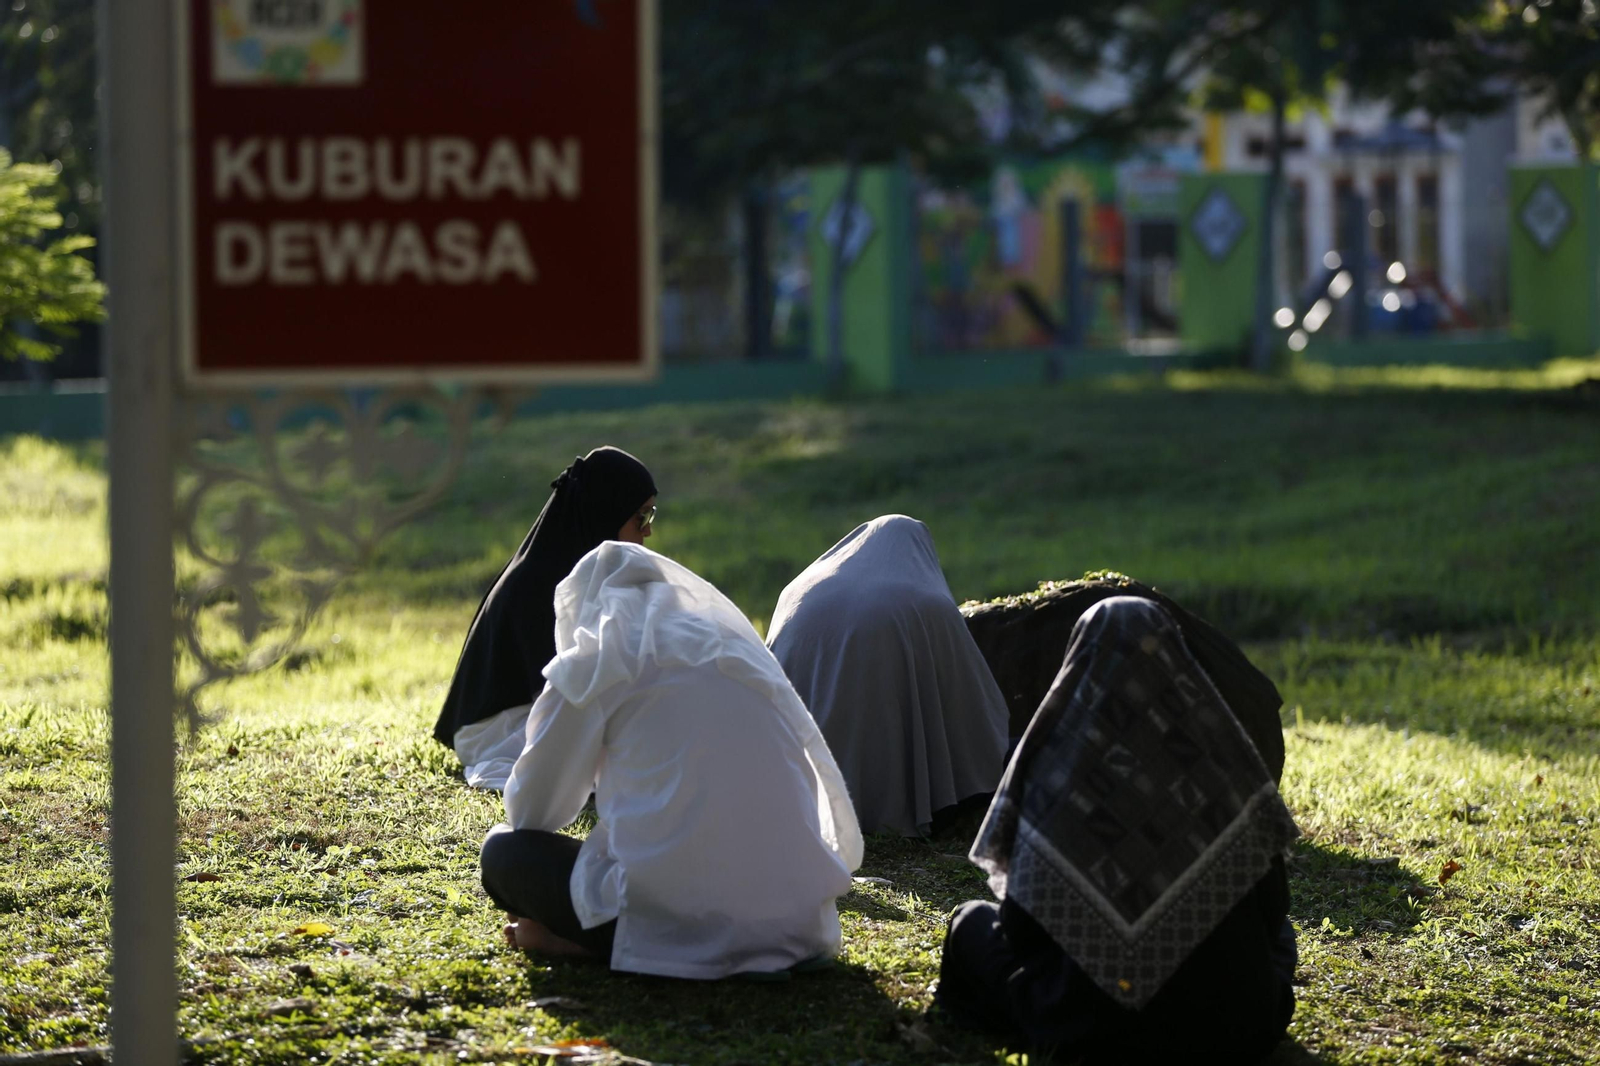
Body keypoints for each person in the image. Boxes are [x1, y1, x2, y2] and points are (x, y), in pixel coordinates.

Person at [935, 597, 1300, 1064]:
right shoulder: (1228, 768)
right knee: (1280, 940)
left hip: (1090, 1029)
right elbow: (1273, 911)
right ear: (1179, 667)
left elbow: (1023, 933)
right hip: (1234, 1026)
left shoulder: (1054, 777)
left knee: (970, 923)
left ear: (1078, 670)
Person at [480, 541, 864, 977]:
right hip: (797, 927)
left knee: (503, 851)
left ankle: (585, 945)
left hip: (682, 923)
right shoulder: (735, 654)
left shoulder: (596, 658)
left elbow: (532, 812)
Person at [766, 515, 1010, 836]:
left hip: (784, 777)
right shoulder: (927, 604)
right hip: (873, 773)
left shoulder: (796, 591)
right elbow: (971, 697)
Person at [433, 446, 657, 790]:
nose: (648, 531)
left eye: (651, 515)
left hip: (540, 710)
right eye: (641, 517)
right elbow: (567, 690)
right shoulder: (543, 581)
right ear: (607, 512)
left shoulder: (583, 567)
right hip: (502, 729)